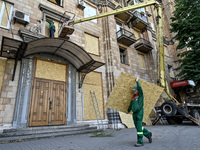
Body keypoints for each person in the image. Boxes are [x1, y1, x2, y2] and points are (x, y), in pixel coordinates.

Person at [126, 77, 152, 147]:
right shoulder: (133, 98)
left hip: (139, 112)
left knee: (139, 127)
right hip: (134, 113)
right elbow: (131, 105)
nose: (134, 91)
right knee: (138, 126)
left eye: (135, 90)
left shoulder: (140, 96)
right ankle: (148, 134)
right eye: (133, 90)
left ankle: (140, 141)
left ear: (137, 91)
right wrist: (128, 110)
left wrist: (137, 81)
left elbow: (140, 88)